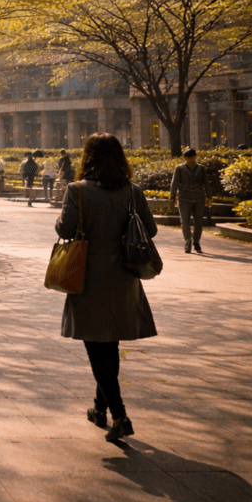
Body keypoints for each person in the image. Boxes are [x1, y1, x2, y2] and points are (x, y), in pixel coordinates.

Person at [54, 132, 157, 443]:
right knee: (109, 343)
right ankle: (99, 409)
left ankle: (119, 414)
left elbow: (64, 228)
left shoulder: (77, 191)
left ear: (89, 157)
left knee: (95, 346)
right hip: (124, 275)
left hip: (88, 274)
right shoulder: (132, 191)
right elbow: (150, 229)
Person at [170, 147, 212, 254]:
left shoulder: (201, 168)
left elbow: (206, 183)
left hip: (199, 199)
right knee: (185, 221)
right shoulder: (179, 168)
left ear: (195, 157)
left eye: (192, 157)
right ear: (185, 157)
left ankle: (196, 241)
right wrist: (172, 196)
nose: (190, 159)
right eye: (188, 157)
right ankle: (188, 241)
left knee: (198, 222)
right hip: (184, 198)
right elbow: (174, 182)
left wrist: (209, 197)